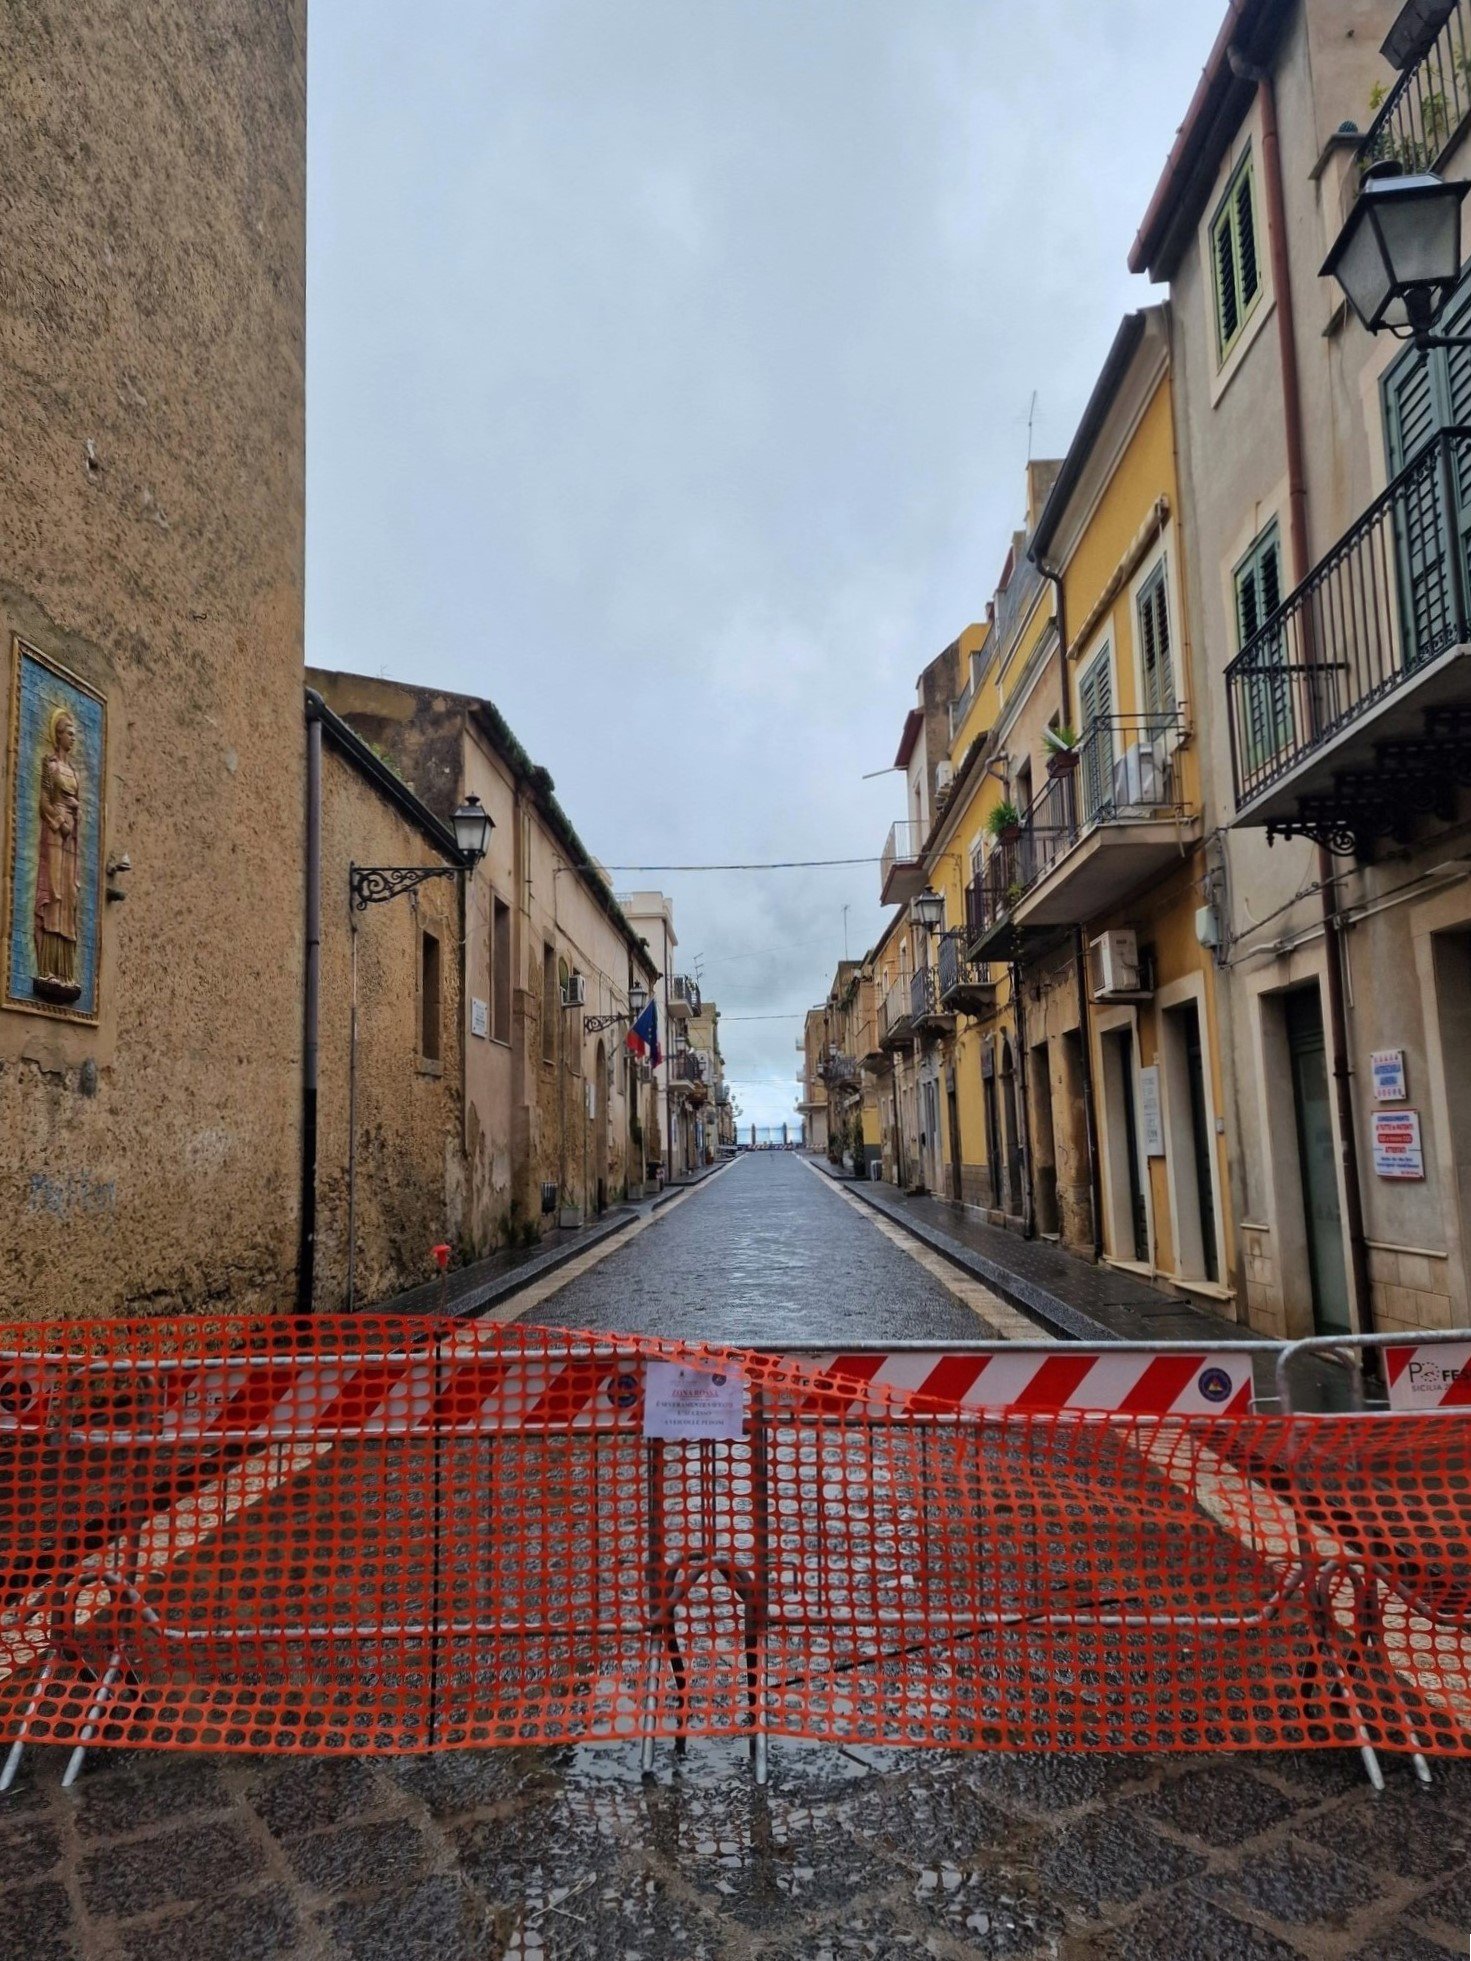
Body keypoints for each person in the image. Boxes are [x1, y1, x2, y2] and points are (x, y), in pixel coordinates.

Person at [33, 706, 82, 1001]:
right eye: (70, 733)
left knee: (69, 899)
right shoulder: (50, 765)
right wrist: (60, 822)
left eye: (76, 734)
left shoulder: (74, 771)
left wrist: (76, 811)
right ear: (58, 735)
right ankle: (47, 967)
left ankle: (66, 972)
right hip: (55, 835)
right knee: (54, 895)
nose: (73, 739)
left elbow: (74, 801)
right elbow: (43, 802)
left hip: (71, 841)